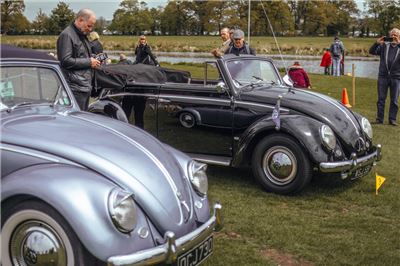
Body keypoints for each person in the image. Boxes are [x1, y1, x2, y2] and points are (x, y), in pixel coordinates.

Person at [57, 9, 100, 111]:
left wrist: (94, 58)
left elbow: (81, 56)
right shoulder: (67, 35)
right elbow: (65, 61)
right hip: (74, 88)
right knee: (76, 121)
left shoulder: (81, 35)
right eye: (89, 26)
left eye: (92, 26)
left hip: (84, 86)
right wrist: (89, 62)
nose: (91, 29)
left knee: (82, 120)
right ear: (80, 20)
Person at [369, 28, 400, 126]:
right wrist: (377, 43)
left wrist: (399, 43)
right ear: (389, 36)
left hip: (396, 77)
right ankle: (379, 119)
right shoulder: (384, 46)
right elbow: (372, 51)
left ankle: (392, 119)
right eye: (392, 34)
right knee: (381, 99)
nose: (394, 36)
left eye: (396, 35)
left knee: (394, 100)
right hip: (383, 76)